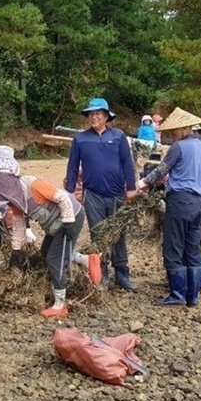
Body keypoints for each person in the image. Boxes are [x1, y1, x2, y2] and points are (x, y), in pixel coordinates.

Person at [128, 107, 201, 307]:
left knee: (172, 248)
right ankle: (193, 296)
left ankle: (177, 294)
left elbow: (161, 170)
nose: (172, 136)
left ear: (184, 128)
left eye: (174, 132)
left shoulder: (179, 147)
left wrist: (139, 186)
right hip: (197, 203)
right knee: (192, 249)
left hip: (180, 202)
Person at [0, 170, 93, 319]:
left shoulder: (34, 186)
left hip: (70, 218)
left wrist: (69, 222)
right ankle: (87, 260)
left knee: (54, 259)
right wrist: (16, 251)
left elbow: (62, 197)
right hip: (55, 225)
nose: (6, 202)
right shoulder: (16, 200)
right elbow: (19, 225)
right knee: (45, 253)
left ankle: (60, 305)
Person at [64, 97, 134, 291]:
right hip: (93, 195)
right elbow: (72, 166)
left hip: (117, 194)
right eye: (91, 114)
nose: (93, 117)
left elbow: (128, 164)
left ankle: (122, 273)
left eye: (97, 114)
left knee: (119, 233)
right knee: (98, 235)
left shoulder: (118, 136)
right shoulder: (80, 139)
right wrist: (69, 193)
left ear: (106, 116)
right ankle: (101, 274)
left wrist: (131, 188)